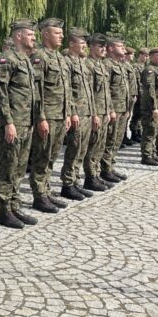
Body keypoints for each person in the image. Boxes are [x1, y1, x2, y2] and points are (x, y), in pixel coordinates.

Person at [0, 19, 41, 229]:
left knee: (20, 167)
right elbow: (0, 93)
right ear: (19, 36)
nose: (33, 38)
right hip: (12, 124)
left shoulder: (25, 60)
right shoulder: (6, 59)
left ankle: (14, 205)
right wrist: (8, 122)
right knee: (8, 166)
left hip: (26, 122)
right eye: (30, 35)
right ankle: (4, 211)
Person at [28, 18, 72, 214]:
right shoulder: (39, 57)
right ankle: (39, 196)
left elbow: (66, 89)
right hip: (48, 116)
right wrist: (41, 118)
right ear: (45, 34)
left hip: (61, 115)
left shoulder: (60, 58)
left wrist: (68, 113)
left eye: (61, 33)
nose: (61, 36)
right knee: (41, 156)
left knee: (52, 156)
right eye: (57, 33)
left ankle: (46, 191)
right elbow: (36, 91)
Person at [59, 27, 96, 201]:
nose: (84, 46)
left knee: (81, 149)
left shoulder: (82, 63)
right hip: (77, 114)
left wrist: (93, 112)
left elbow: (88, 91)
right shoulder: (66, 62)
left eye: (85, 43)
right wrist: (72, 112)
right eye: (81, 43)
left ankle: (75, 181)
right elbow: (67, 91)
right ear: (72, 44)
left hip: (87, 112)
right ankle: (67, 184)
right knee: (73, 148)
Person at [82, 33, 114, 191]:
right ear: (91, 47)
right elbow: (90, 93)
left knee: (100, 145)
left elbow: (105, 91)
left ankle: (96, 174)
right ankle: (90, 177)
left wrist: (109, 110)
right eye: (100, 46)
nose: (104, 49)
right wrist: (94, 114)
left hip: (104, 111)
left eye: (105, 46)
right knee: (93, 146)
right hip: (95, 112)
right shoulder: (88, 65)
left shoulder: (101, 65)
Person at [99, 34, 131, 183]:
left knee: (116, 140)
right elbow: (105, 91)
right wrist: (109, 110)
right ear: (111, 48)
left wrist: (127, 108)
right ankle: (104, 169)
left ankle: (110, 166)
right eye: (120, 46)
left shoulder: (119, 65)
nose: (123, 49)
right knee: (109, 140)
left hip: (122, 108)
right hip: (113, 110)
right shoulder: (107, 65)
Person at [139, 47, 158, 166]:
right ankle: (146, 156)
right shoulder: (149, 70)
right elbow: (150, 91)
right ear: (151, 56)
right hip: (152, 108)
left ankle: (153, 153)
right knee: (149, 131)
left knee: (155, 131)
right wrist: (154, 107)